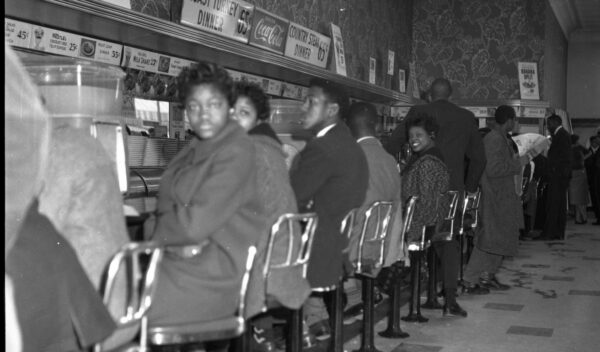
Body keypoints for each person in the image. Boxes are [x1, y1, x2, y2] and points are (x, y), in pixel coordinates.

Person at [145, 63, 264, 335]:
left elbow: (192, 226)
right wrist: (165, 237)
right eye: (193, 106)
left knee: (114, 312)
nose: (203, 115)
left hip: (212, 275)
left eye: (214, 104)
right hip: (181, 262)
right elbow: (177, 218)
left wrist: (154, 232)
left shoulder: (237, 149)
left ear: (229, 108)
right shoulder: (197, 145)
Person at [387, 78, 487, 298]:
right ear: (450, 95)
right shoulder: (466, 117)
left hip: (422, 187)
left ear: (430, 94)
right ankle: (447, 291)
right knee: (447, 239)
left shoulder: (418, 111)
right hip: (452, 190)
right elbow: (479, 159)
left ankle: (413, 286)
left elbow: (393, 144)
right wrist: (469, 188)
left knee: (414, 235)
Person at [232, 81, 310, 352]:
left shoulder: (249, 149)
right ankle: (257, 335)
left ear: (259, 117)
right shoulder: (271, 147)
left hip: (263, 267)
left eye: (243, 113)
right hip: (283, 259)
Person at [290, 78, 368, 339]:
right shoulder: (348, 143)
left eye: (311, 101)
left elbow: (290, 199)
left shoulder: (322, 148)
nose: (303, 107)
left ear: (332, 110)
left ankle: (258, 334)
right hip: (338, 247)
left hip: (316, 251)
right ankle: (312, 319)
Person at [401, 112, 467, 317]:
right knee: (448, 246)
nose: (413, 140)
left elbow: (426, 202)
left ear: (431, 135)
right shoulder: (431, 157)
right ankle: (449, 300)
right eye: (411, 136)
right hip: (435, 224)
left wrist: (408, 230)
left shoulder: (428, 162)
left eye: (419, 135)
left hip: (421, 226)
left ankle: (379, 291)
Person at [463, 106, 531, 293]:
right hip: (495, 198)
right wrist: (519, 163)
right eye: (514, 119)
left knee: (499, 239)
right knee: (489, 239)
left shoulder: (501, 138)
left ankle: (487, 276)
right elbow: (493, 169)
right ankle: (470, 279)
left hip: (503, 197)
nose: (515, 123)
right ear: (508, 120)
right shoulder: (494, 140)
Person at [538, 114, 572, 240]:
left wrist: (553, 170)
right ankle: (557, 232)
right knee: (558, 205)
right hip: (559, 176)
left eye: (548, 124)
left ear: (554, 123)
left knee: (554, 205)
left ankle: (550, 233)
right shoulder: (560, 135)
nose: (547, 127)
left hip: (558, 176)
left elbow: (564, 158)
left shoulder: (561, 135)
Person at [569, 135, 590, 224]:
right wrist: (583, 160)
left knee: (576, 197)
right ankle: (583, 217)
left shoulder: (568, 149)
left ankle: (578, 218)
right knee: (581, 197)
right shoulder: (578, 148)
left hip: (572, 174)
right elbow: (589, 152)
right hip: (580, 172)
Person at [585, 136, 600, 224]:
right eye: (596, 141)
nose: (598, 142)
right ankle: (598, 216)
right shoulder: (588, 151)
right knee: (594, 198)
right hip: (591, 179)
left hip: (597, 178)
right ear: (592, 142)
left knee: (598, 198)